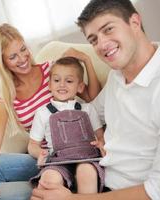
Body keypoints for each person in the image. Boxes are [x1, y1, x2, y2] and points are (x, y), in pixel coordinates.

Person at [31, 0, 160, 200]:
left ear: (135, 22)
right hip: (94, 176)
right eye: (93, 39)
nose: (102, 45)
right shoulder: (117, 76)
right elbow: (89, 113)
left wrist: (71, 199)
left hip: (117, 192)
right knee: (4, 175)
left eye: (108, 29)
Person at [0, 23, 102, 200]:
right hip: (44, 158)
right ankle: (48, 187)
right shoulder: (6, 94)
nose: (23, 58)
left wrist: (87, 60)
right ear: (2, 62)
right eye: (13, 56)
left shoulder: (52, 72)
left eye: (23, 49)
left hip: (74, 153)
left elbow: (92, 97)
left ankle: (52, 190)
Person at [28, 57, 106, 194]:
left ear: (80, 87)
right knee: (48, 179)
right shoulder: (42, 113)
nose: (62, 85)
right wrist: (40, 153)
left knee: (86, 172)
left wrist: (101, 144)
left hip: (88, 158)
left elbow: (101, 136)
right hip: (58, 161)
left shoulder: (88, 109)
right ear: (49, 85)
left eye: (69, 81)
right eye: (56, 80)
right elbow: (32, 144)